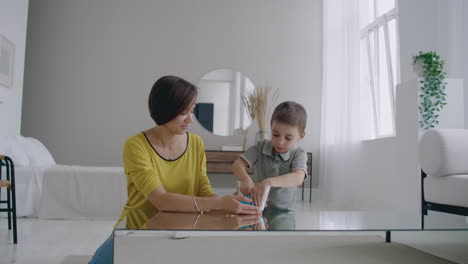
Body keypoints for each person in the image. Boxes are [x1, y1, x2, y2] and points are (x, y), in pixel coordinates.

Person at [89, 75, 260, 264]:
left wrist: (237, 205)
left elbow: (203, 191)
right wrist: (221, 202)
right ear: (164, 109)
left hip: (181, 231)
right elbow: (161, 200)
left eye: (192, 111)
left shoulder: (195, 143)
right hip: (137, 232)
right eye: (183, 112)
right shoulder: (135, 145)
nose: (190, 119)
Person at [232, 101, 308, 211]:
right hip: (257, 208)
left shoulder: (299, 154)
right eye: (275, 134)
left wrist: (268, 182)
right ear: (271, 128)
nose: (280, 142)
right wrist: (245, 179)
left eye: (288, 138)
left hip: (284, 212)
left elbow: (298, 177)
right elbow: (237, 164)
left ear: (301, 136)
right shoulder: (261, 146)